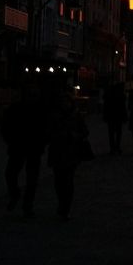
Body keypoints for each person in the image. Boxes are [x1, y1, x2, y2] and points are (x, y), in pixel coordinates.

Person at [0, 85, 49, 218]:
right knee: (11, 174)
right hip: (19, 146)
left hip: (33, 147)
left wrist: (43, 141)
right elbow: (5, 125)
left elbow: (47, 128)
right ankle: (16, 195)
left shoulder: (41, 110)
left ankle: (27, 205)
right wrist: (10, 139)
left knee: (30, 178)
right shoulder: (16, 109)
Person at [47, 92, 90, 220]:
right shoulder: (53, 116)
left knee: (68, 180)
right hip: (58, 151)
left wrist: (74, 135)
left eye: (66, 101)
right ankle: (62, 203)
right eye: (62, 101)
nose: (64, 104)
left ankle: (65, 207)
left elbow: (85, 131)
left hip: (71, 151)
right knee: (59, 181)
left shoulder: (76, 116)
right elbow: (48, 132)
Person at [103, 83, 127, 154]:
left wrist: (105, 116)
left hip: (111, 116)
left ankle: (113, 148)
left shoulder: (109, 96)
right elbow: (123, 107)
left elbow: (106, 107)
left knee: (111, 133)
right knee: (118, 133)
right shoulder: (120, 96)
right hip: (118, 116)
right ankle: (117, 147)